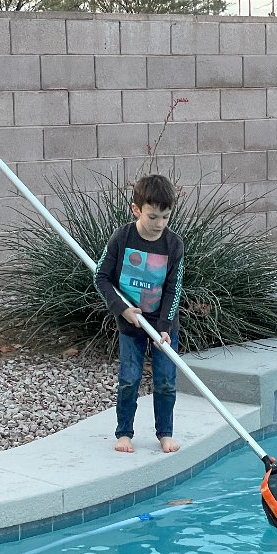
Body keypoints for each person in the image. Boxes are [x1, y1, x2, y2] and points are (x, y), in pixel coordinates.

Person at [95, 174, 184, 454]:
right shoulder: (122, 238)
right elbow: (101, 277)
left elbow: (173, 289)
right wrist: (121, 308)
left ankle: (165, 433)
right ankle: (124, 433)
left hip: (164, 326)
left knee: (166, 381)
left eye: (165, 217)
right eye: (153, 216)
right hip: (131, 323)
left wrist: (164, 327)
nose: (159, 224)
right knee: (129, 379)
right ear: (136, 209)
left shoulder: (174, 245)